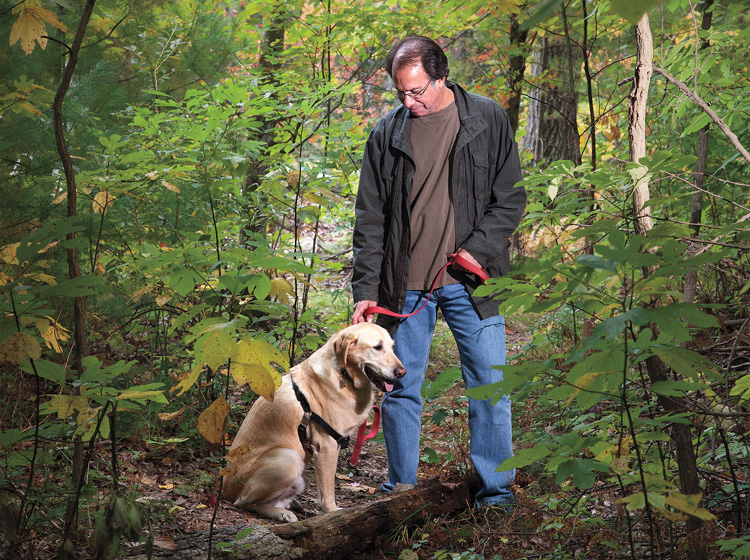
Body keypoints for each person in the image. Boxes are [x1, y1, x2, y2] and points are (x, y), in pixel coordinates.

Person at [350, 36, 526, 507]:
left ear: (441, 76)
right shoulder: (386, 134)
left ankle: (495, 495)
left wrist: (478, 251)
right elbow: (370, 219)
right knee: (402, 390)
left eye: (418, 91)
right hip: (402, 288)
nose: (411, 101)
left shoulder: (487, 119)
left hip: (475, 284)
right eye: (401, 93)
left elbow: (509, 199)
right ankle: (400, 494)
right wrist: (365, 289)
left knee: (490, 389)